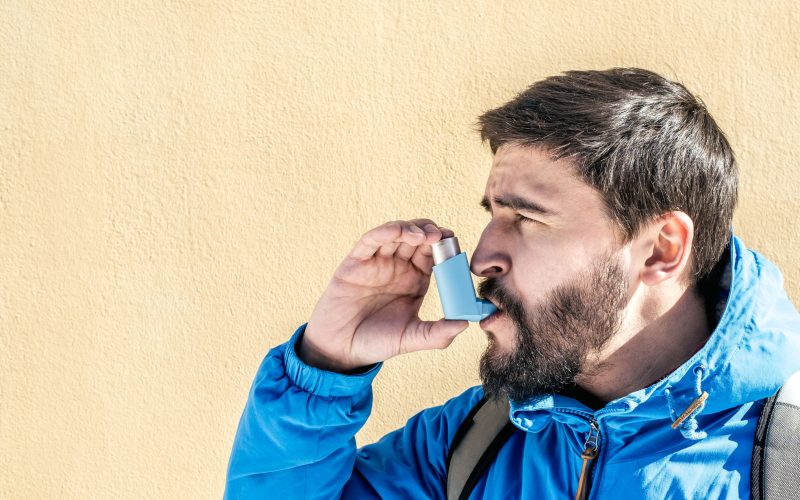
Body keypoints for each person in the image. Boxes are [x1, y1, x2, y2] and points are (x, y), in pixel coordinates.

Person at [224, 68, 800, 499]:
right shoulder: (469, 444)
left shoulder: (783, 458)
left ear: (662, 249)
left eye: (526, 219)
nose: (481, 258)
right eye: (493, 215)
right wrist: (325, 368)